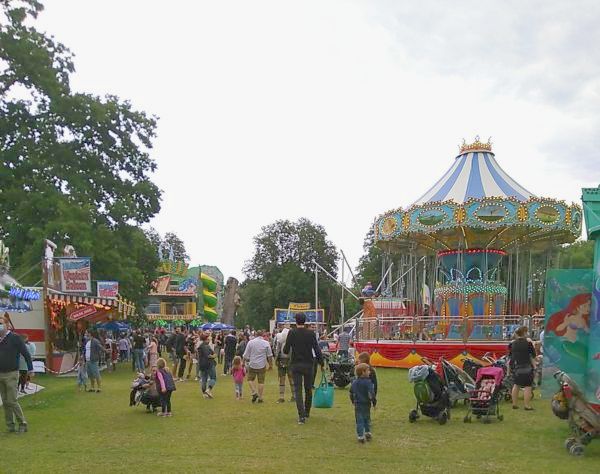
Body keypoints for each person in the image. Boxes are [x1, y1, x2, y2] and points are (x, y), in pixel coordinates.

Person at [283, 313, 323, 424]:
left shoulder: (292, 333)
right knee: (308, 388)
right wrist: (321, 362)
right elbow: (316, 349)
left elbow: (286, 350)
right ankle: (307, 411)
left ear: (296, 321)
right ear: (305, 321)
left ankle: (301, 416)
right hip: (308, 364)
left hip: (296, 364)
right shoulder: (310, 333)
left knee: (298, 390)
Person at [0, 314, 34, 433]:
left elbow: (26, 353)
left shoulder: (15, 338)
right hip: (0, 373)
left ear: (7, 325)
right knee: (5, 401)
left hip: (12, 373)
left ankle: (22, 423)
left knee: (12, 400)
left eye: (1, 324)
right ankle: (10, 425)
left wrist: (30, 368)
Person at [509, 326, 537, 410]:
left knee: (516, 385)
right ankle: (527, 405)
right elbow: (533, 355)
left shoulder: (512, 344)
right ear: (524, 333)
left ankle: (514, 404)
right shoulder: (528, 343)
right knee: (528, 387)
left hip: (517, 367)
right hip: (527, 367)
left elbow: (511, 357)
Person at [243, 329, 273, 403]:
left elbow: (246, 354)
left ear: (255, 335)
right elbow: (269, 355)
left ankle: (254, 392)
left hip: (252, 364)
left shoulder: (251, 342)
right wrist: (270, 365)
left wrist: (243, 362)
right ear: (262, 335)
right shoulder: (266, 343)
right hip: (262, 365)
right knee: (261, 382)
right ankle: (260, 397)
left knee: (250, 379)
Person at [350, 363, 376, 443]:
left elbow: (351, 392)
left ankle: (360, 436)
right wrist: (374, 401)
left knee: (359, 420)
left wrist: (352, 401)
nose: (370, 372)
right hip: (366, 404)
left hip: (357, 404)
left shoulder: (354, 382)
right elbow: (371, 393)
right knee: (367, 419)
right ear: (363, 372)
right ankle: (367, 432)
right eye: (368, 371)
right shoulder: (368, 383)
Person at [274, 325, 295, 403]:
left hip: (285, 360)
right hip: (287, 360)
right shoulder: (282, 340)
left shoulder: (280, 339)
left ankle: (283, 397)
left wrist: (276, 359)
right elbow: (277, 350)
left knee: (284, 379)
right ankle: (292, 396)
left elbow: (277, 350)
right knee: (289, 379)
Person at [197, 334, 217, 398]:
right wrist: (213, 356)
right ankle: (209, 389)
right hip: (209, 364)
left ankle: (204, 394)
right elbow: (209, 355)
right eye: (208, 339)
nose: (209, 340)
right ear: (206, 339)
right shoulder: (206, 346)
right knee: (213, 378)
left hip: (202, 365)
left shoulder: (200, 346)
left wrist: (213, 354)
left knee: (204, 379)